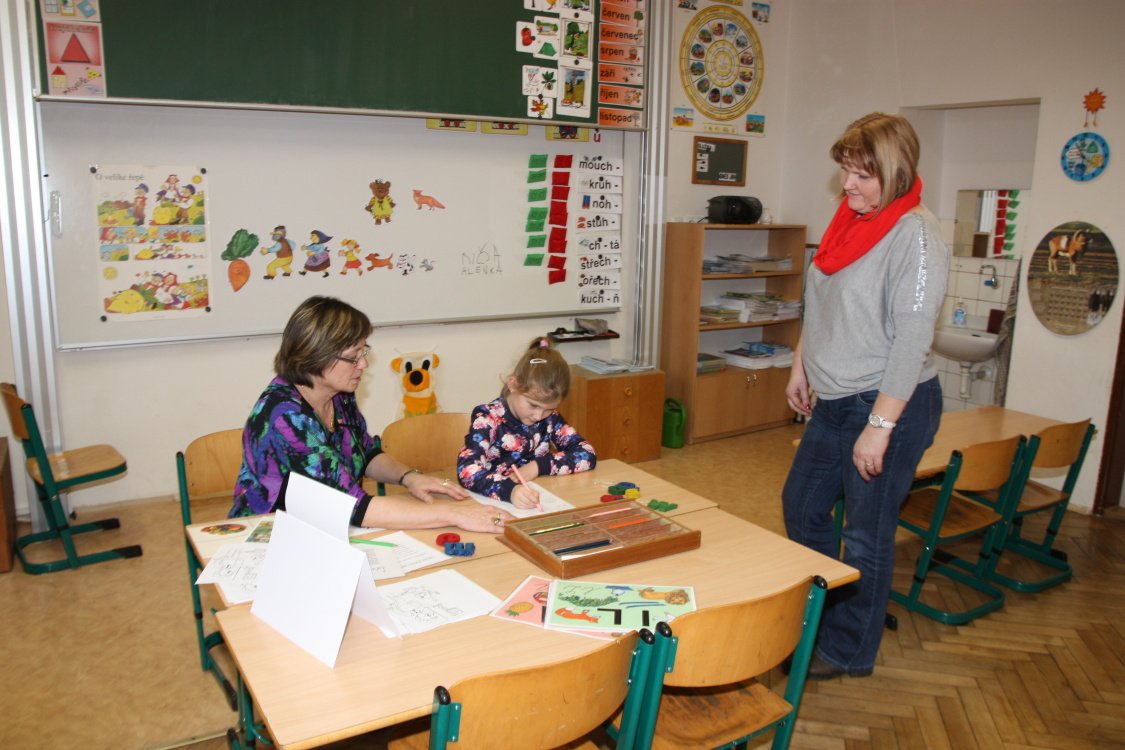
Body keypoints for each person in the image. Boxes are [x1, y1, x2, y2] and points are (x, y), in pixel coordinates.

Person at [782, 112, 949, 680]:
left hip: (887, 402)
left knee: (865, 534)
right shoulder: (847, 223)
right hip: (834, 398)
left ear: (895, 173)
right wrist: (800, 364)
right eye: (846, 171)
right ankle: (821, 622)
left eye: (862, 175)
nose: (847, 185)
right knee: (803, 506)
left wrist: (879, 428)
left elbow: (912, 340)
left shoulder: (915, 236)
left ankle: (847, 650)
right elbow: (820, 303)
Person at [230, 295, 513, 533]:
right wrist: (453, 514)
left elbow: (365, 453)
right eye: (353, 356)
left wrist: (408, 477)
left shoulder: (338, 392)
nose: (363, 364)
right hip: (272, 534)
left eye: (363, 351)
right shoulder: (284, 417)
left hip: (328, 527)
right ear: (315, 355)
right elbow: (353, 506)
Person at [457, 338, 596, 509]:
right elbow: (467, 472)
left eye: (549, 409)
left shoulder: (550, 419)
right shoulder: (487, 419)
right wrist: (510, 491)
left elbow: (586, 453)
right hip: (494, 505)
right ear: (513, 384)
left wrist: (538, 466)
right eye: (533, 405)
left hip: (537, 497)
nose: (539, 416)